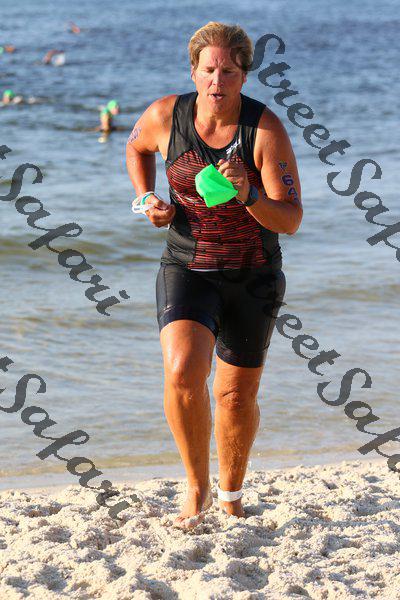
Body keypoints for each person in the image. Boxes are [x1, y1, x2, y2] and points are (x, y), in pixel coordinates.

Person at [126, 21, 302, 531]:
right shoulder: (166, 116)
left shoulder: (264, 131)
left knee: (235, 396)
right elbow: (136, 147)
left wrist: (249, 194)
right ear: (193, 71)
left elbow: (290, 219)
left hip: (254, 276)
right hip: (187, 265)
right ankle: (196, 486)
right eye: (208, 70)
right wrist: (146, 199)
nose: (216, 81)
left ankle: (231, 494)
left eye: (228, 71)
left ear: (244, 75)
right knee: (183, 371)